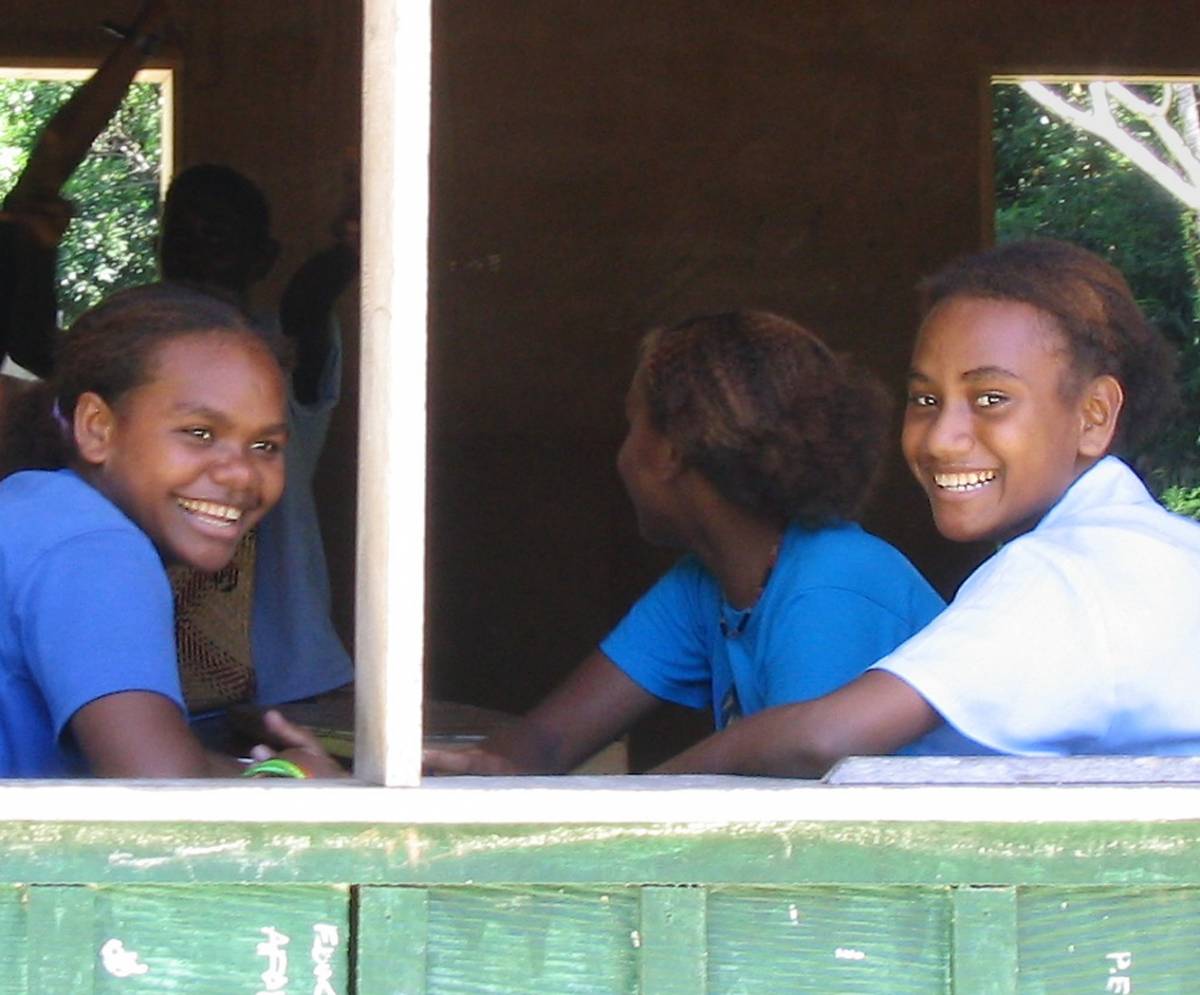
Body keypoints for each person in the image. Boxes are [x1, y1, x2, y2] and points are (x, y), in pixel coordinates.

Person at [650, 239, 1200, 776]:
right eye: (925, 401)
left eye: (991, 399)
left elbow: (823, 740)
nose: (941, 439)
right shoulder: (1156, 549)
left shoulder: (1066, 570)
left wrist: (656, 790)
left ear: (1095, 414)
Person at [425, 310, 946, 774]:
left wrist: (652, 796)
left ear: (670, 450)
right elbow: (549, 739)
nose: (623, 456)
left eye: (632, 426)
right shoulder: (708, 581)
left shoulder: (831, 587)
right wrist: (477, 768)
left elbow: (800, 832)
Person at [0, 283, 343, 778]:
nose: (241, 474)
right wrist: (295, 783)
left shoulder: (39, 509)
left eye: (266, 446)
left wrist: (266, 773)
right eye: (200, 433)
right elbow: (163, 796)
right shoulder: (95, 548)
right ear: (97, 427)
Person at [156, 162, 358, 706]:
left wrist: (352, 247)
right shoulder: (140, 360)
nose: (193, 254)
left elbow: (308, 301)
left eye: (216, 238)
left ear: (263, 258)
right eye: (179, 237)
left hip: (287, 672)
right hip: (170, 676)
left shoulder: (282, 345)